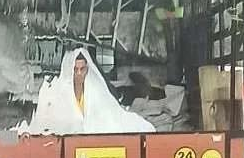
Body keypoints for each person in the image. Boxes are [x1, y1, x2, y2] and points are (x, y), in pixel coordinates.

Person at [26, 47, 155, 135]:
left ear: (87, 69)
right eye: (75, 69)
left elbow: (107, 116)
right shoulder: (59, 90)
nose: (79, 73)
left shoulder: (96, 90)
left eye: (82, 69)